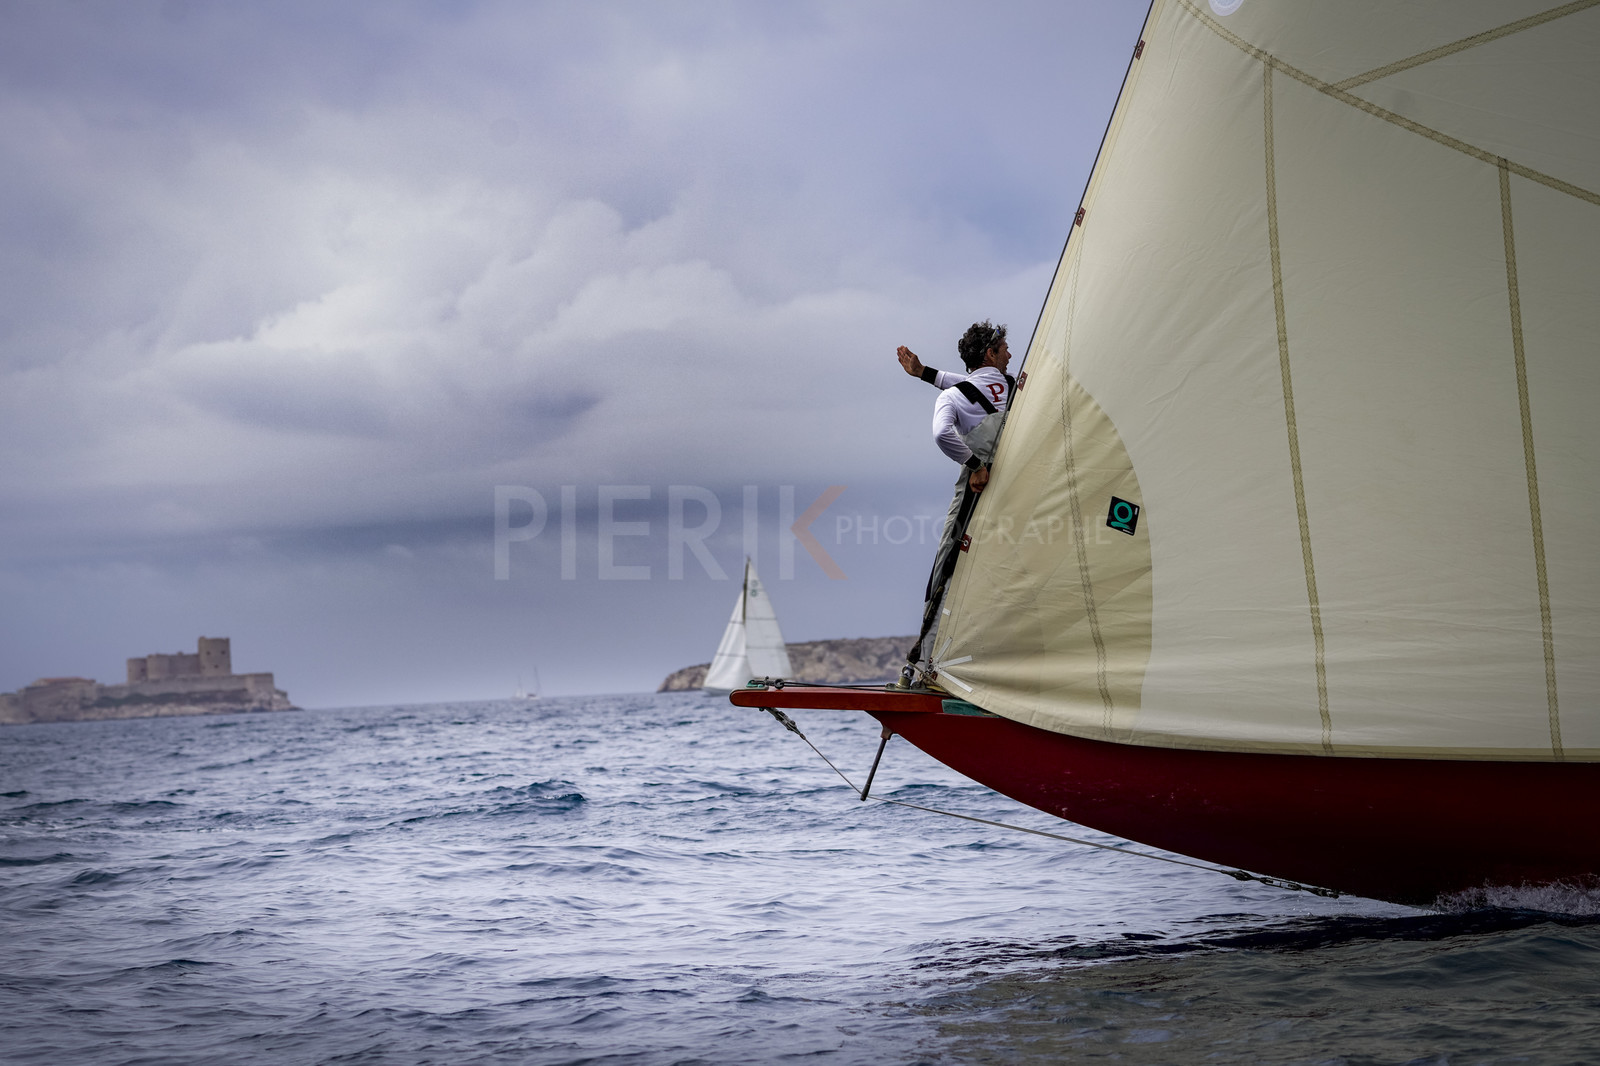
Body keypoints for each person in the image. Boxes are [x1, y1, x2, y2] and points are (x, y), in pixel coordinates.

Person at [894, 321, 1016, 688]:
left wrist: (974, 465)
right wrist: (925, 373)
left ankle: (923, 668)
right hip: (1015, 482)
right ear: (990, 355)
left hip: (977, 488)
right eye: (1004, 348)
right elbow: (971, 385)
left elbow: (942, 431)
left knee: (948, 563)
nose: (1011, 353)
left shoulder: (953, 397)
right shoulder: (1014, 388)